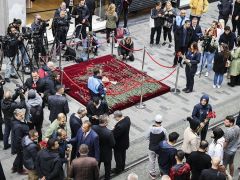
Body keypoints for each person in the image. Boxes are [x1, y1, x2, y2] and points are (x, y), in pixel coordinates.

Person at [92, 114, 115, 180]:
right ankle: (107, 178)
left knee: (97, 166)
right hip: (106, 153)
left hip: (97, 151)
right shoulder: (109, 133)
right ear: (105, 122)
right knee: (107, 167)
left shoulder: (93, 127)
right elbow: (113, 144)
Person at [146, 114, 168, 179]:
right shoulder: (163, 130)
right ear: (161, 121)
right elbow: (166, 139)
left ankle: (152, 174)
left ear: (155, 121)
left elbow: (146, 137)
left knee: (151, 161)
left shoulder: (150, 129)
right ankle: (162, 172)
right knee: (161, 160)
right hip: (160, 149)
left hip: (151, 147)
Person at [11, 109, 29, 175]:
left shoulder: (15, 120)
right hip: (20, 145)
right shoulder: (18, 126)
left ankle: (15, 166)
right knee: (21, 157)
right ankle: (20, 170)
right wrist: (21, 147)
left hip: (18, 144)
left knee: (19, 155)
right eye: (21, 115)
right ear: (16, 115)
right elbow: (18, 139)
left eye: (23, 115)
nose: (23, 116)